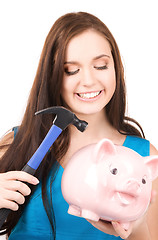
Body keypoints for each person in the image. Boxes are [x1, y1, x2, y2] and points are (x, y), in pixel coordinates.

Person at [0, 11, 158, 240]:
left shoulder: (145, 158)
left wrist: (137, 227)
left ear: (116, 68)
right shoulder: (17, 144)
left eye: (101, 66)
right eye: (71, 70)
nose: (88, 80)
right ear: (53, 75)